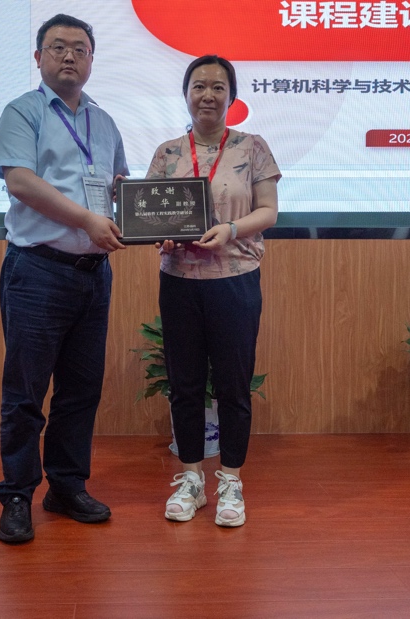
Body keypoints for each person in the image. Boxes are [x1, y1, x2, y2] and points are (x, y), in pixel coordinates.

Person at [0, 14, 128, 544]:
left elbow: (118, 187)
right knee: (25, 392)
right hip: (38, 271)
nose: (69, 56)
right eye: (57, 47)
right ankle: (17, 495)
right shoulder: (22, 112)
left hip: (93, 275)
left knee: (80, 390)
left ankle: (66, 486)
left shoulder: (104, 121)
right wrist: (88, 219)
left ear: (92, 59)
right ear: (38, 57)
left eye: (79, 49)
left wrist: (152, 218)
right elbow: (21, 182)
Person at [146, 55, 280, 527]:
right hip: (179, 282)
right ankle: (190, 479)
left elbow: (269, 212)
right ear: (186, 94)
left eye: (218, 87)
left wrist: (231, 229)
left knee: (233, 386)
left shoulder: (252, 147)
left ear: (231, 96)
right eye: (199, 86)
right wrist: (159, 235)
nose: (208, 95)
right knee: (184, 384)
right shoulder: (167, 153)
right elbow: (152, 218)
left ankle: (231, 481)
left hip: (235, 280)